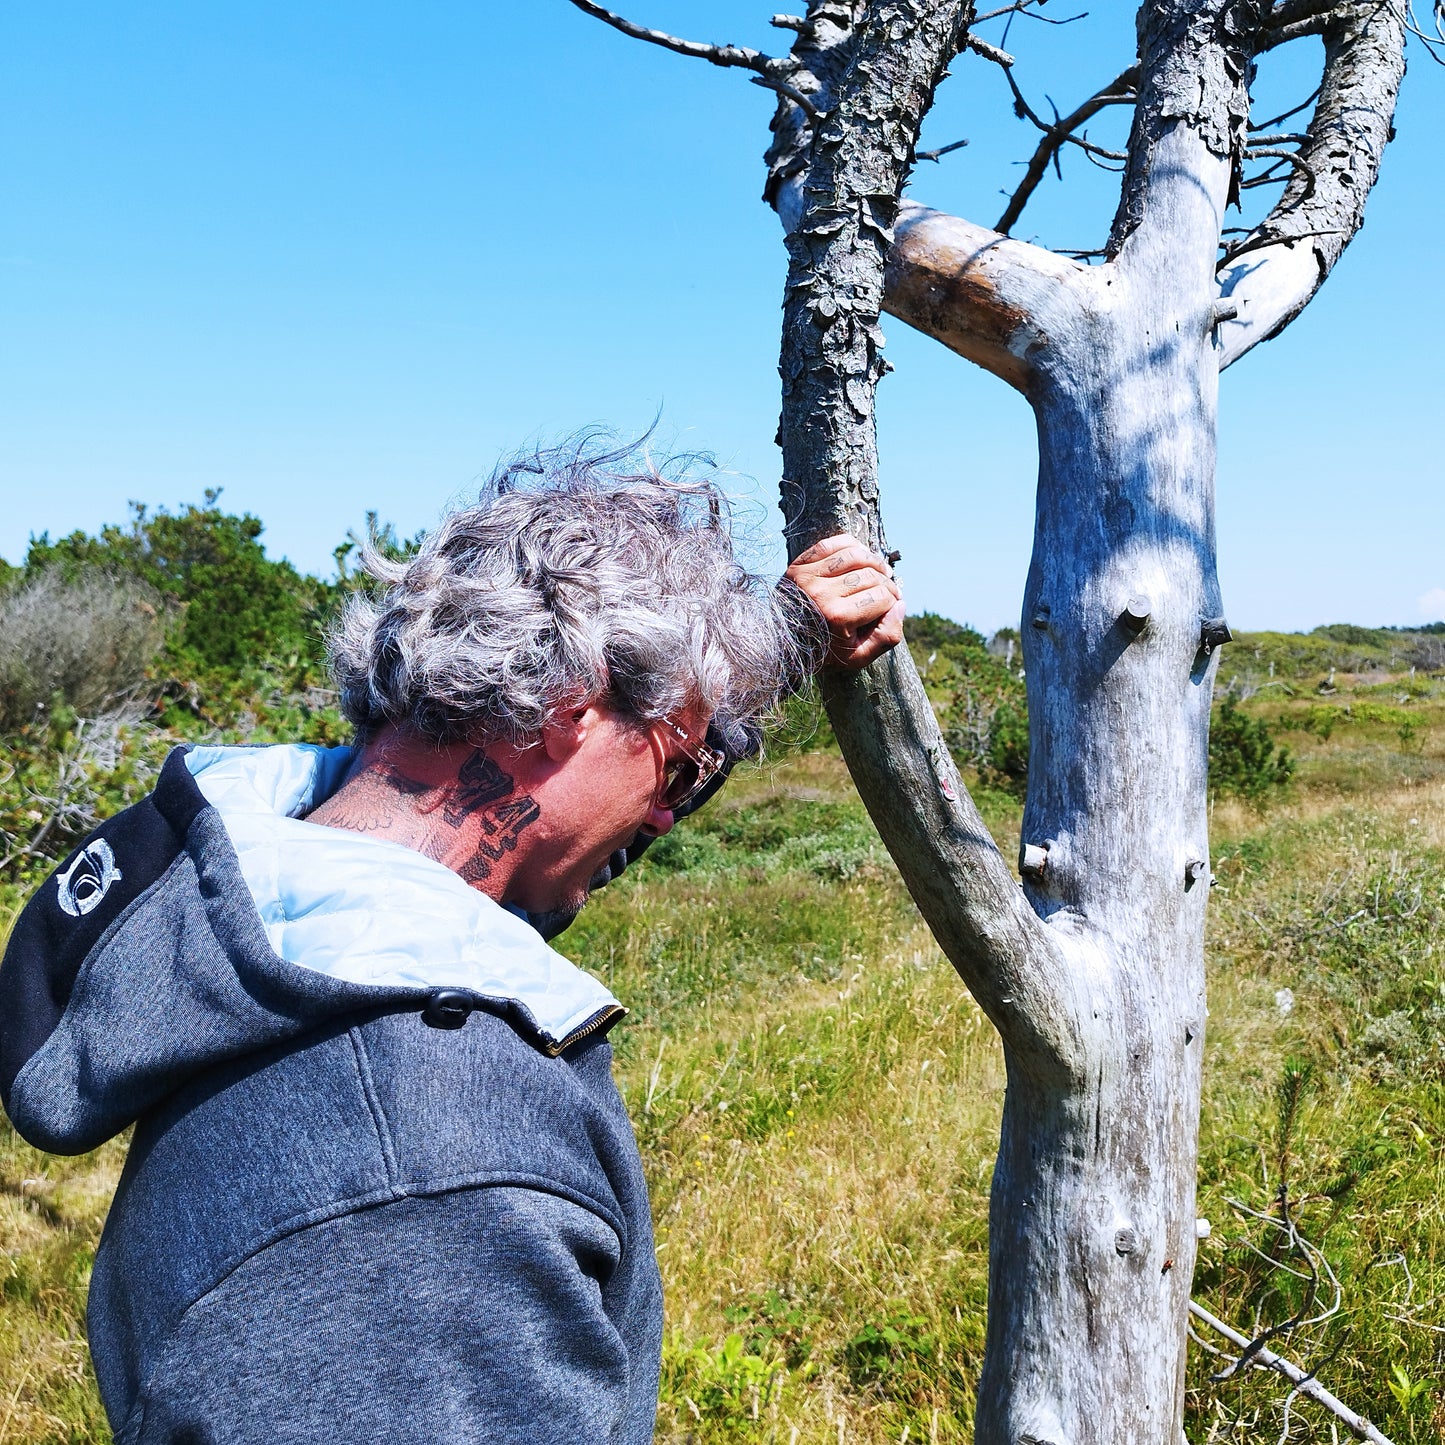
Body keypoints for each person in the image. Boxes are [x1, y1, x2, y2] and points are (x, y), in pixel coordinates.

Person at [0, 441, 903, 1444]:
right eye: (678, 770)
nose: (660, 818)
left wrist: (772, 638)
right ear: (574, 709)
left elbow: (552, 827)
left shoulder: (249, 909)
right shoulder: (425, 1182)